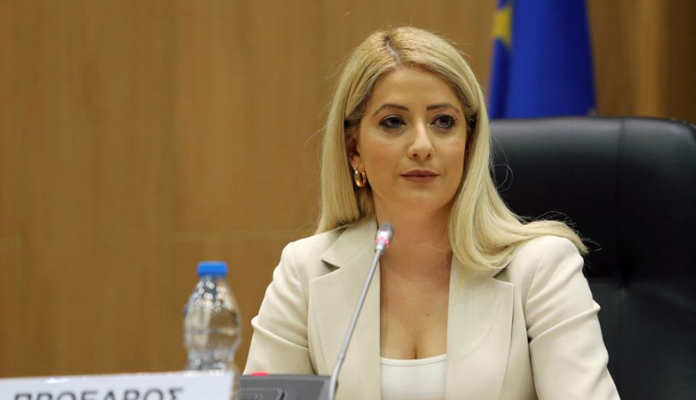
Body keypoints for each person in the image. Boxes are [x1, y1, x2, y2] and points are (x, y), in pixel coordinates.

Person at [244, 27, 620, 400]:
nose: (422, 146)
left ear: (468, 144)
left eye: (443, 121)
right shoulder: (305, 272)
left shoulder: (540, 268)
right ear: (354, 148)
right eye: (393, 122)